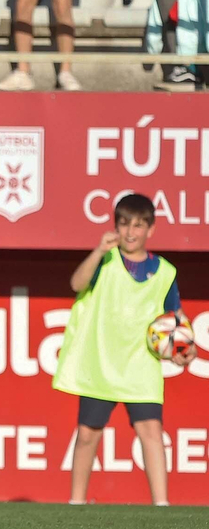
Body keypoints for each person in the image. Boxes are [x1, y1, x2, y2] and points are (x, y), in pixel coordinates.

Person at [55, 193, 191, 507]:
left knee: (151, 431)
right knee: (87, 434)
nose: (131, 232)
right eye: (125, 224)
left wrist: (187, 347)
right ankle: (76, 503)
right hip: (100, 360)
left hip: (140, 363)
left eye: (139, 225)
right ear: (115, 226)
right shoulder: (105, 260)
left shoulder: (164, 271)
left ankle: (162, 506)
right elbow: (76, 284)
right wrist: (98, 251)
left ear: (151, 229)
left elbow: (176, 316)